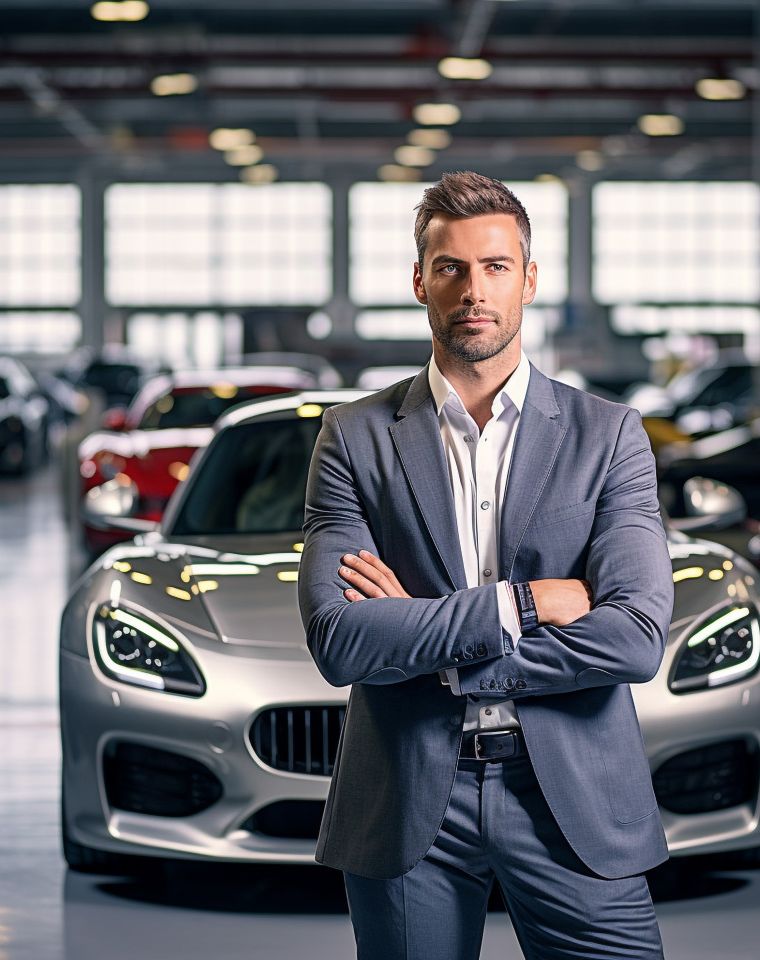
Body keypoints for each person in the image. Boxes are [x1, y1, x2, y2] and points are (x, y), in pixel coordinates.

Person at [299, 171, 674, 959]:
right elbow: (340, 640)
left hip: (574, 797)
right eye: (451, 268)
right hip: (405, 804)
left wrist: (427, 639)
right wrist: (526, 603)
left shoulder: (608, 436)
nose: (474, 289)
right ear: (419, 281)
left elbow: (635, 637)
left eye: (496, 266)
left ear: (529, 280)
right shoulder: (354, 437)